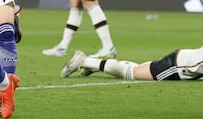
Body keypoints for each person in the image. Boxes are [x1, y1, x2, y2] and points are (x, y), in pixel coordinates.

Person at [61, 47, 203, 81]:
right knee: (131, 72)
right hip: (177, 66)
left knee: (138, 68)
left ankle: (93, 66)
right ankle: (85, 61)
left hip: (184, 58)